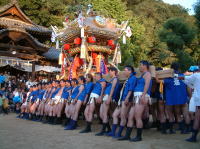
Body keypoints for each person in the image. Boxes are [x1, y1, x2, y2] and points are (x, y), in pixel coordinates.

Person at [108, 65, 136, 139]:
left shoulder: (133, 78)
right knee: (115, 115)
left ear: (130, 71)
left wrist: (127, 98)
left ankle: (119, 133)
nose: (124, 72)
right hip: (122, 100)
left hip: (126, 100)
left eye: (125, 70)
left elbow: (131, 90)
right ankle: (114, 132)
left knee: (123, 117)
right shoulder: (128, 78)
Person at [130, 60, 152, 142]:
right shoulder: (142, 74)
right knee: (137, 116)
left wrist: (143, 95)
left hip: (141, 96)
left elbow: (146, 85)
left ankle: (139, 137)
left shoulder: (147, 74)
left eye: (140, 65)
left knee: (138, 117)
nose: (139, 67)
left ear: (144, 66)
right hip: (137, 96)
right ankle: (138, 136)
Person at [96, 67, 120, 136]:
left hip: (108, 96)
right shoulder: (111, 79)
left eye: (109, 71)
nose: (109, 73)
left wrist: (109, 97)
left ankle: (103, 130)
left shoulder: (115, 79)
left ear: (113, 71)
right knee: (101, 114)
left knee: (104, 114)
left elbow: (112, 88)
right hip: (105, 96)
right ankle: (108, 129)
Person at [179, 66, 200, 142]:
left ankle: (193, 137)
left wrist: (185, 74)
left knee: (197, 118)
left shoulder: (196, 75)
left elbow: (181, 77)